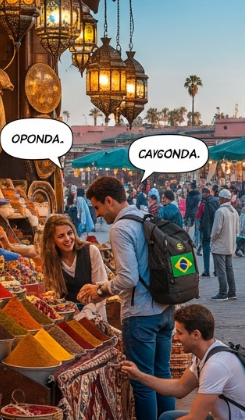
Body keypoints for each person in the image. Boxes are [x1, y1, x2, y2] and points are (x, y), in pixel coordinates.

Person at [79, 176, 175, 419]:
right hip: (164, 310)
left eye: (98, 207)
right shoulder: (145, 216)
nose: (98, 214)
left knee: (142, 382)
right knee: (162, 375)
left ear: (109, 200)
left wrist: (100, 290)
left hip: (141, 314)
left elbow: (128, 279)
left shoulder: (120, 228)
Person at [121, 304, 245, 420]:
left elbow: (195, 418)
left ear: (196, 335)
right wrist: (139, 375)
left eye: (180, 333)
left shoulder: (215, 366)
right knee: (167, 416)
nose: (175, 337)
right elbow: (180, 388)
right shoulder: (208, 352)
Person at [39, 215, 109, 318]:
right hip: (68, 318)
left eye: (70, 233)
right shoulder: (51, 261)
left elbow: (102, 289)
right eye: (61, 236)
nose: (67, 239)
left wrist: (86, 313)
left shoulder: (90, 251)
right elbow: (54, 297)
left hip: (94, 316)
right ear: (52, 240)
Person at [210, 190, 239, 301]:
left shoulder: (220, 211)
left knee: (221, 270)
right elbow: (237, 229)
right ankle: (232, 292)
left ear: (222, 198)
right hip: (230, 244)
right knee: (229, 269)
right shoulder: (234, 211)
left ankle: (223, 292)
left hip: (220, 244)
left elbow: (216, 229)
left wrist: (212, 239)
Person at [200, 187, 220, 278]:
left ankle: (207, 270)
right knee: (215, 250)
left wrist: (202, 225)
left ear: (207, 194)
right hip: (215, 229)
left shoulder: (207, 202)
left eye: (203, 194)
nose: (202, 195)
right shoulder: (216, 201)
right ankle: (216, 270)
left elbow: (206, 216)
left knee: (207, 250)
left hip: (207, 229)